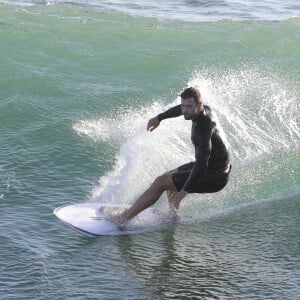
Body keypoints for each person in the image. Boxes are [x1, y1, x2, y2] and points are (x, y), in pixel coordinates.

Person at [108, 87, 231, 228]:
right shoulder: (203, 111)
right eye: (183, 105)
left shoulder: (203, 129)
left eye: (189, 107)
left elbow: (201, 164)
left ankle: (123, 219)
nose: (185, 110)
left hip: (215, 175)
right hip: (213, 166)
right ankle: (172, 216)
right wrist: (159, 118)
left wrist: (184, 192)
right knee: (168, 177)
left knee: (161, 182)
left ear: (199, 105)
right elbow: (179, 109)